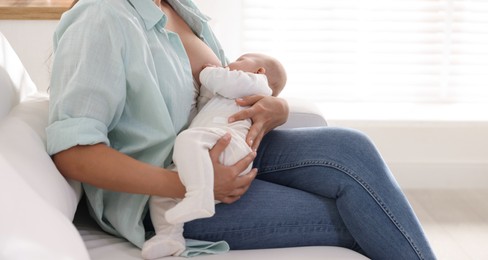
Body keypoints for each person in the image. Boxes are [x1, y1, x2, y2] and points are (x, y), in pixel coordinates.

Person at [46, 0, 436, 259]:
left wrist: (275, 107)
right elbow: (73, 151)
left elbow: (226, 87)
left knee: (350, 146)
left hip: (221, 144)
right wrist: (189, 185)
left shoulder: (177, 7)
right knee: (360, 217)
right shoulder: (100, 17)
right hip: (163, 194)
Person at [142, 53, 287, 259]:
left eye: (241, 58)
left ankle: (199, 195)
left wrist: (208, 71)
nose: (230, 63)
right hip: (207, 149)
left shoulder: (257, 84)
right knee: (161, 196)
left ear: (259, 71)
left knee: (187, 139)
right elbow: (205, 103)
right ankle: (170, 237)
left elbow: (222, 82)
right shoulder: (228, 94)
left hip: (230, 144)